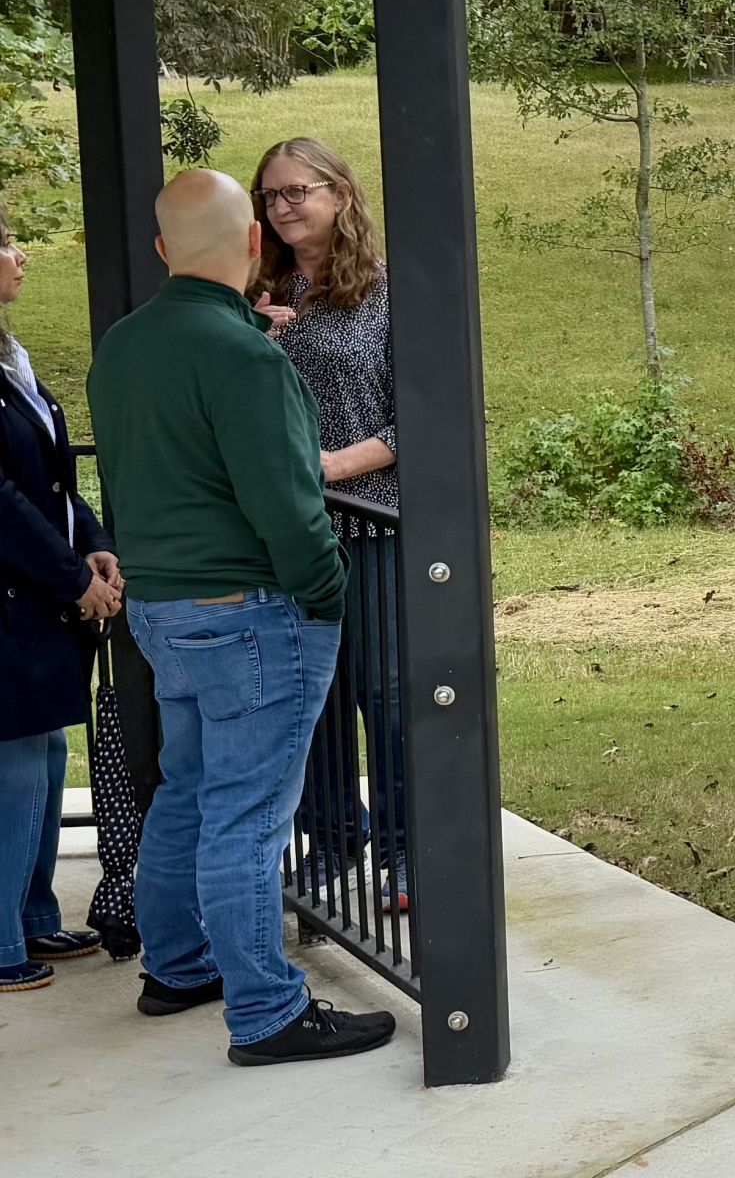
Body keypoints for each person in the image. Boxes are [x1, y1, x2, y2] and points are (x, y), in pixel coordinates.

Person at [87, 170, 395, 1064]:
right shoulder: (248, 359)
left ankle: (178, 966)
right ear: (254, 244)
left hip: (160, 612)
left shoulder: (126, 346)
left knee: (187, 795)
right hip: (250, 615)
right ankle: (266, 1011)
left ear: (160, 252)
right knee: (247, 816)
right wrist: (325, 590)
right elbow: (289, 504)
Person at [250, 138, 407, 915]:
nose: (282, 206)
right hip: (286, 533)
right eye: (270, 196)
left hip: (372, 528)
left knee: (385, 695)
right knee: (307, 695)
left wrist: (328, 468)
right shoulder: (256, 294)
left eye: (297, 191)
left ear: (341, 195)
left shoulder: (388, 292)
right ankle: (334, 838)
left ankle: (408, 850)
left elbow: (424, 422)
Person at [0, 217, 123, 992]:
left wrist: (95, 545)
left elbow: (51, 477)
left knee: (45, 754)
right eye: (5, 244)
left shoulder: (12, 359)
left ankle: (38, 916)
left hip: (39, 588)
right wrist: (73, 580)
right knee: (13, 762)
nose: (20, 256)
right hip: (14, 595)